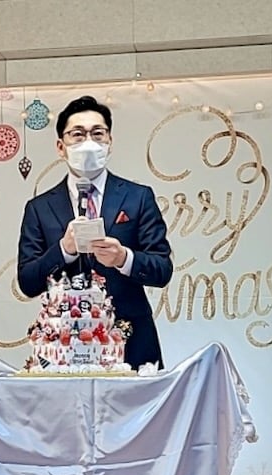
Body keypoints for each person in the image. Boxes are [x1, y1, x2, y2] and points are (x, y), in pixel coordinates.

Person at [16, 95, 173, 370]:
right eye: (77, 134)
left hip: (131, 342)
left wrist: (124, 258)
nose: (88, 142)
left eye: (97, 133)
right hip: (63, 347)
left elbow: (162, 269)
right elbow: (28, 282)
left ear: (109, 141)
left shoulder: (138, 197)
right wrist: (63, 250)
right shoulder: (39, 208)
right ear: (60, 147)